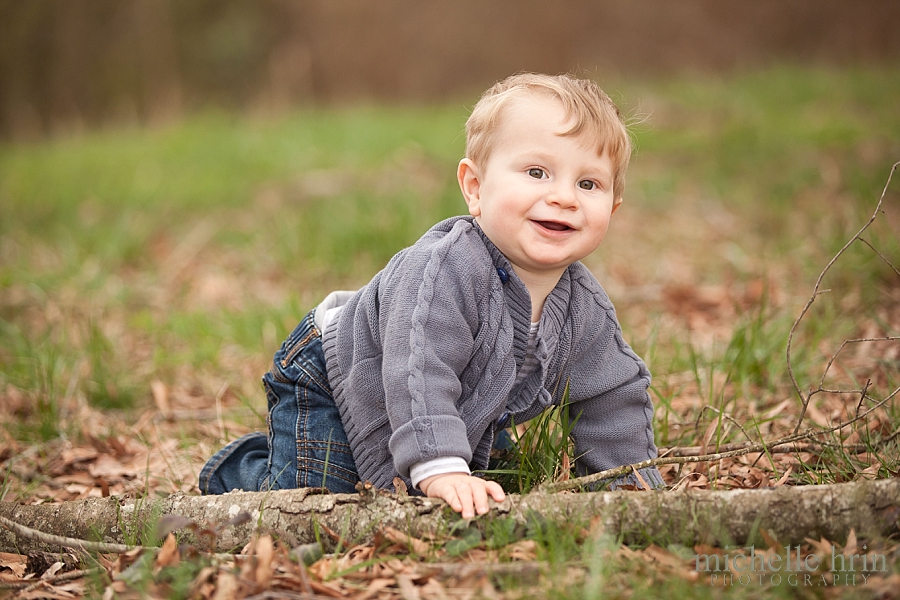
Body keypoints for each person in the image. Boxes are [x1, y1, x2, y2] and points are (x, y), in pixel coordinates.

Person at [200, 72, 663, 519]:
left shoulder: (584, 306)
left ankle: (434, 446)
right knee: (325, 495)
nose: (564, 197)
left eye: (588, 184)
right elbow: (418, 363)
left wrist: (628, 483)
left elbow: (613, 392)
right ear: (475, 187)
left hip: (447, 398)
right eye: (537, 172)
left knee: (494, 483)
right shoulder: (446, 269)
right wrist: (440, 465)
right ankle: (240, 471)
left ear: (613, 207)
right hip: (338, 371)